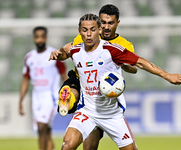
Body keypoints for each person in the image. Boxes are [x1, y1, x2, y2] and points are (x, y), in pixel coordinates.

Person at [49, 13, 181, 150]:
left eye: (93, 30)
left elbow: (140, 62)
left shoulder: (111, 50)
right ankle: (70, 98)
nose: (88, 34)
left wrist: (167, 76)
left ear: (99, 30)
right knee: (67, 145)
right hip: (87, 111)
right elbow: (64, 53)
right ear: (79, 32)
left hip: (112, 114)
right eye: (84, 30)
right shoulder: (75, 51)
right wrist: (58, 54)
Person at [56, 4, 138, 150]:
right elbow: (68, 52)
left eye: (110, 23)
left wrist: (124, 64)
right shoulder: (87, 36)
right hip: (81, 80)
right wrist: (60, 52)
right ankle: (69, 99)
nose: (106, 27)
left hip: (103, 91)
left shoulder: (123, 45)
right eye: (103, 23)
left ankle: (71, 100)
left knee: (90, 146)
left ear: (117, 23)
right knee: (74, 88)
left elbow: (134, 68)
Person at [19, 26, 68, 150]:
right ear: (33, 38)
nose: (40, 39)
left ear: (46, 37)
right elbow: (26, 79)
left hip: (50, 96)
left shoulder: (55, 55)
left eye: (42, 36)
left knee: (41, 127)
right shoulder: (29, 57)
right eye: (37, 37)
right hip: (36, 97)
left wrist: (69, 94)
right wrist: (21, 100)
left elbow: (64, 76)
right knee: (45, 131)